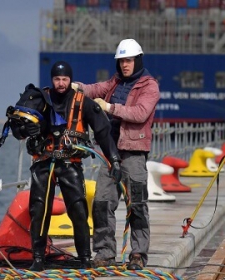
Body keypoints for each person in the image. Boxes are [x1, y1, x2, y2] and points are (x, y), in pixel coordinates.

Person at [10, 61, 123, 271]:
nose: (61, 83)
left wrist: (114, 160)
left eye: (64, 79)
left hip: (70, 162)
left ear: (70, 80)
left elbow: (103, 132)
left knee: (78, 210)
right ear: (51, 80)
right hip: (44, 162)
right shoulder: (40, 100)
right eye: (57, 79)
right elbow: (18, 129)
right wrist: (28, 133)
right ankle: (38, 259)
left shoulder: (84, 102)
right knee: (39, 209)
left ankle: (85, 258)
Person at [74, 39, 160, 270]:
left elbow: (140, 113)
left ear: (138, 60)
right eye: (121, 61)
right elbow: (96, 89)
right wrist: (75, 87)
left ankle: (138, 254)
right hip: (109, 152)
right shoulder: (115, 82)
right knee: (102, 202)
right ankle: (105, 253)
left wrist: (110, 108)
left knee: (137, 205)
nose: (124, 65)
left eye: (128, 60)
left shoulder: (150, 86)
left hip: (133, 153)